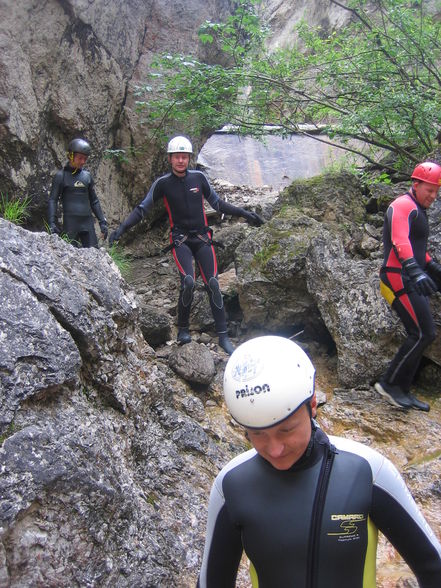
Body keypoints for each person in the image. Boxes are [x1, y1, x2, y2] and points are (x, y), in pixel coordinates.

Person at [197, 336, 441, 588]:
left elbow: (433, 567)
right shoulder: (231, 486)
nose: (275, 449)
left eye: (286, 430)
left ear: (312, 404)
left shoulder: (368, 471)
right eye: (257, 434)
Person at [108, 135, 263, 355]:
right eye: (177, 157)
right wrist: (121, 229)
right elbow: (143, 209)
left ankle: (223, 336)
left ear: (189, 158)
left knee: (213, 283)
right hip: (180, 239)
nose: (181, 160)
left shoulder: (199, 178)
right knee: (188, 282)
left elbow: (217, 204)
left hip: (202, 238)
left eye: (184, 157)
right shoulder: (162, 184)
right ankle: (182, 329)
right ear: (170, 159)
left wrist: (245, 213)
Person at [375, 161, 441, 412]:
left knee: (426, 333)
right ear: (416, 184)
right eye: (429, 190)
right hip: (396, 277)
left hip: (409, 276)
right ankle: (389, 384)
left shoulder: (418, 209)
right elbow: (399, 240)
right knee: (421, 333)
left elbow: (417, 250)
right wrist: (415, 272)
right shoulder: (402, 205)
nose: (433, 197)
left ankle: (402, 389)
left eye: (436, 192)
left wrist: (433, 269)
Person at [48, 138, 108, 248]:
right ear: (71, 156)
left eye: (85, 159)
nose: (83, 162)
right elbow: (53, 200)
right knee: (69, 256)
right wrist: (51, 222)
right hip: (70, 224)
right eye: (80, 158)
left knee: (94, 255)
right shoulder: (61, 176)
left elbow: (94, 201)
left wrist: (102, 221)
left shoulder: (87, 176)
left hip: (87, 223)